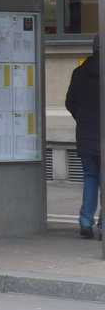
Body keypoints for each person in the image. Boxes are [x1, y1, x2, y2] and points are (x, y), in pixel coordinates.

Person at [65, 34, 103, 240]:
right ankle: (102, 227)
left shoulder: (79, 72)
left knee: (90, 179)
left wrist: (82, 119)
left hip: (86, 136)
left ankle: (86, 222)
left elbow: (70, 102)